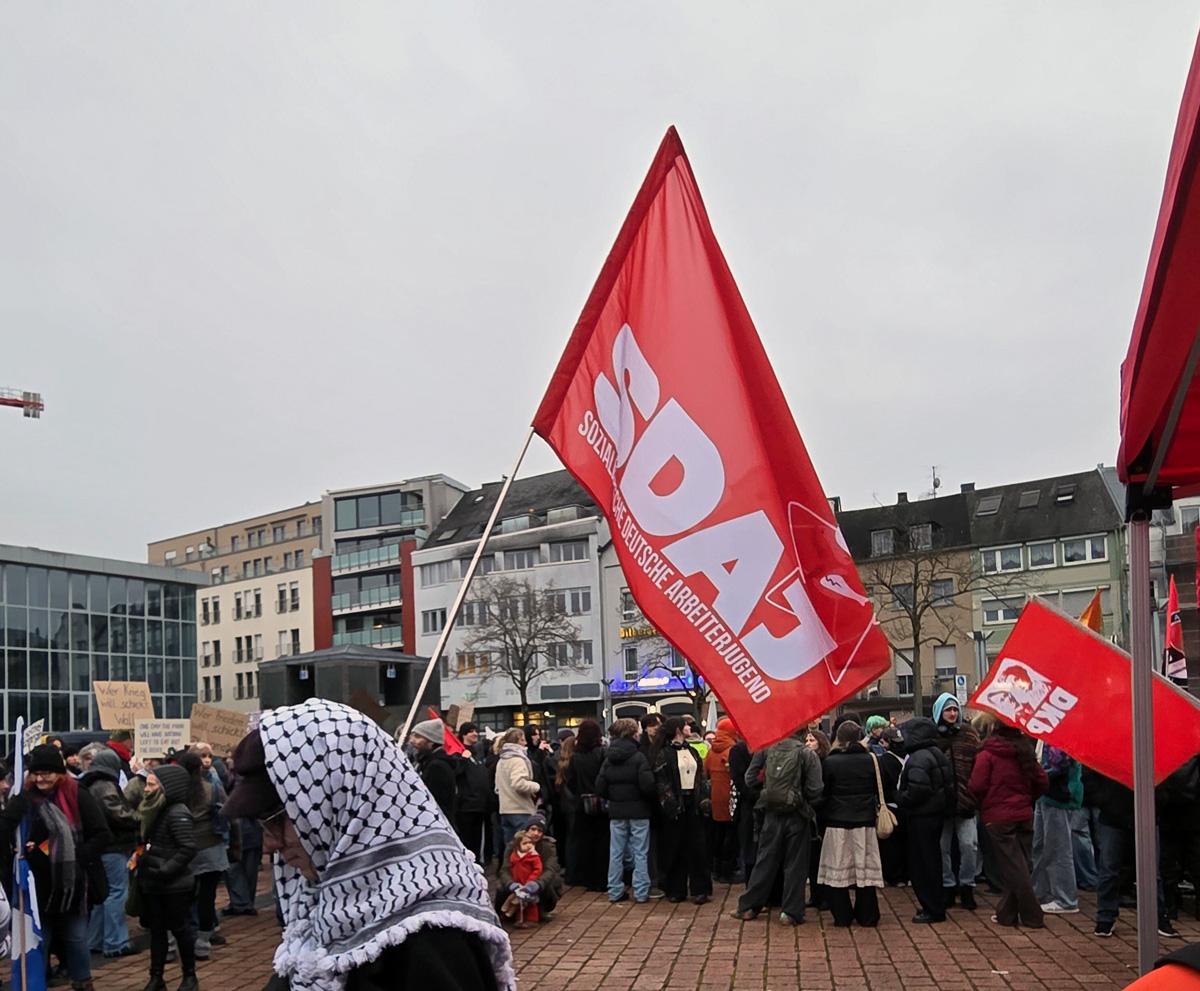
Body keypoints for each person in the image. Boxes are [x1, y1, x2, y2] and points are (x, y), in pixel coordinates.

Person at [222, 699, 515, 990]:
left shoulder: (430, 939)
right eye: (261, 824)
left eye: (275, 820)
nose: (269, 845)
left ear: (338, 801)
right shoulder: (325, 898)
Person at [0, 743, 112, 991]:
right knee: (39, 940)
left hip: (70, 885)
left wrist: (76, 855)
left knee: (76, 939)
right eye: (36, 773)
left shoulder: (76, 794)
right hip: (36, 886)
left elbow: (101, 834)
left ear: (59, 773)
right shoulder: (24, 798)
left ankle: (83, 982)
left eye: (46, 773)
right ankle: (38, 982)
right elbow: (6, 831)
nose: (40, 778)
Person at [732, 728, 823, 925]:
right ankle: (790, 913)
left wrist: (767, 789)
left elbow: (749, 779)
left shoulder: (766, 749)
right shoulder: (807, 754)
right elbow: (816, 789)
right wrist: (801, 797)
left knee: (765, 860)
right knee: (795, 865)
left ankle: (748, 907)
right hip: (798, 814)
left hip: (771, 814)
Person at [968, 721, 1048, 929]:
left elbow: (976, 785)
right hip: (1023, 814)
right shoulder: (1025, 752)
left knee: (1014, 867)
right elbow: (1042, 780)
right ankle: (1006, 914)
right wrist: (1027, 798)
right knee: (1019, 864)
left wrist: (985, 802)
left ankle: (1032, 915)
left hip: (998, 817)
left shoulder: (987, 754)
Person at [1084, 766, 1172, 938]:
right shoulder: (1108, 746)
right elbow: (1090, 772)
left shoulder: (1151, 743)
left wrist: (1159, 799)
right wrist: (1103, 799)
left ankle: (1159, 916)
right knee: (1109, 869)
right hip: (1113, 814)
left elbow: (1166, 773)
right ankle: (1105, 917)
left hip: (1146, 813)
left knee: (1152, 872)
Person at [135, 763, 199, 991]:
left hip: (174, 885)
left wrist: (166, 870)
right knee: (157, 932)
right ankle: (156, 976)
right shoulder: (154, 810)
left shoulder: (178, 812)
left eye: (152, 785)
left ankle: (189, 976)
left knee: (181, 930)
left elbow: (188, 848)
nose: (146, 789)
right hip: (153, 882)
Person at [817, 721, 884, 927]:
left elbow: (823, 792)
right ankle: (868, 914)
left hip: (837, 820)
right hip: (864, 820)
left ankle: (842, 915)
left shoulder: (830, 762)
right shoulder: (870, 759)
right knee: (864, 871)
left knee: (837, 870)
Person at [80, 747, 139, 957]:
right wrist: (138, 818)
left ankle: (94, 940)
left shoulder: (88, 783)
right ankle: (116, 942)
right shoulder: (105, 785)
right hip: (113, 846)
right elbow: (118, 814)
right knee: (116, 893)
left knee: (101, 894)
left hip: (98, 846)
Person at [898, 717, 955, 922]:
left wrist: (900, 798)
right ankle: (935, 904)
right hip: (936, 814)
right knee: (933, 861)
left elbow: (917, 790)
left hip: (921, 817)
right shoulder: (937, 753)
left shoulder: (918, 757)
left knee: (923, 864)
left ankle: (931, 908)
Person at [651, 716, 712, 904]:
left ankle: (700, 889)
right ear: (678, 729)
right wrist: (670, 805)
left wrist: (703, 800)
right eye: (685, 725)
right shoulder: (664, 754)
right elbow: (662, 782)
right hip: (675, 806)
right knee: (675, 848)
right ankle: (676, 888)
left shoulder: (693, 751)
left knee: (697, 848)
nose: (688, 727)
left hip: (693, 805)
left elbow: (700, 778)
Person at [595, 718, 655, 903]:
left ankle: (614, 890)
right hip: (639, 810)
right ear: (632, 733)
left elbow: (599, 786)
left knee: (616, 852)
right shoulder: (638, 757)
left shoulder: (608, 758)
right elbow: (648, 785)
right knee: (640, 852)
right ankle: (641, 891)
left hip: (617, 811)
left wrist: (613, 797)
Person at [177, 751, 228, 959]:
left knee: (184, 897)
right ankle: (203, 943)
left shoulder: (175, 791)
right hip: (210, 846)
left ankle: (185, 939)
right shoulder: (211, 789)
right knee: (207, 897)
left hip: (184, 847)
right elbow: (224, 814)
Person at [932, 693, 981, 911]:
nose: (952, 714)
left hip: (966, 800)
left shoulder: (969, 734)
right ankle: (948, 885)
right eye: (947, 710)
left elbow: (978, 764)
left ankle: (967, 885)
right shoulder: (933, 737)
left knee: (969, 845)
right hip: (942, 802)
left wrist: (974, 790)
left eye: (955, 710)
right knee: (942, 848)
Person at [1033, 743, 1082, 914]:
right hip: (1045, 795)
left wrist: (1034, 777)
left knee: (1058, 847)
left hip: (1058, 796)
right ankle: (1040, 891)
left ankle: (1066, 899)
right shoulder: (1045, 734)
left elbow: (1058, 764)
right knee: (1040, 846)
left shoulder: (1058, 736)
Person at [563, 719, 609, 892]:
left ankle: (587, 878)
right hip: (602, 803)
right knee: (603, 843)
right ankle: (601, 879)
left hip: (583, 804)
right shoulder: (602, 753)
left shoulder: (575, 757)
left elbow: (571, 781)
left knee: (585, 842)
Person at [495, 812, 564, 922]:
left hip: (535, 881)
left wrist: (535, 884)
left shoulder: (547, 847)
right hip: (516, 881)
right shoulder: (513, 845)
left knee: (551, 881)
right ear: (526, 829)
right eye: (533, 829)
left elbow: (550, 869)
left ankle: (540, 909)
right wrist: (511, 884)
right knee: (500, 885)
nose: (536, 833)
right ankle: (506, 911)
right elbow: (504, 869)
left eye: (540, 831)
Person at [704, 718, 740, 884]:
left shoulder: (712, 751)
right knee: (731, 837)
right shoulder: (732, 750)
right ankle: (728, 871)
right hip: (730, 798)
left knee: (717, 835)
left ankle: (716, 870)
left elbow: (705, 773)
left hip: (715, 798)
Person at [496, 727, 540, 847]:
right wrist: (536, 786)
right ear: (518, 741)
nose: (526, 743)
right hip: (520, 808)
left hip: (505, 809)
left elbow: (497, 786)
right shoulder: (518, 760)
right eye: (523, 740)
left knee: (511, 849)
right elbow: (518, 784)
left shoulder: (502, 760)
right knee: (524, 849)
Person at [455, 723, 492, 866]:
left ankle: (477, 862)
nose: (475, 734)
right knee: (466, 838)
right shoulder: (458, 754)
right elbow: (456, 773)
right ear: (464, 734)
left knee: (478, 838)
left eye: (476, 731)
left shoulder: (478, 754)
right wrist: (463, 759)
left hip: (480, 805)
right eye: (471, 731)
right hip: (466, 805)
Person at [408, 719, 458, 822]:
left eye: (417, 736)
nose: (412, 741)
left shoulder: (436, 766)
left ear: (431, 741)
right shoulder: (426, 763)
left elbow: (435, 801)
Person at [876, 726, 908, 887]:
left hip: (889, 806)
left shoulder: (882, 761)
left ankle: (894, 875)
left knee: (891, 845)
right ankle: (904, 874)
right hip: (905, 805)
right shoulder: (909, 758)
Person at [805, 729, 832, 910]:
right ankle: (815, 895)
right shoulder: (805, 762)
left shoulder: (826, 763)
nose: (808, 743)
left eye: (812, 740)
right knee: (812, 858)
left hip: (822, 814)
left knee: (824, 856)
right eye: (806, 739)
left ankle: (825, 896)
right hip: (810, 814)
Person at [500, 830, 543, 928]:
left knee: (530, 902)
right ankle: (518, 918)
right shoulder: (514, 855)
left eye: (530, 843)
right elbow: (509, 868)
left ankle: (532, 919)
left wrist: (531, 881)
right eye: (525, 843)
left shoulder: (533, 856)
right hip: (518, 882)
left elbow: (538, 869)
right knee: (519, 902)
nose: (528, 845)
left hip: (528, 883)